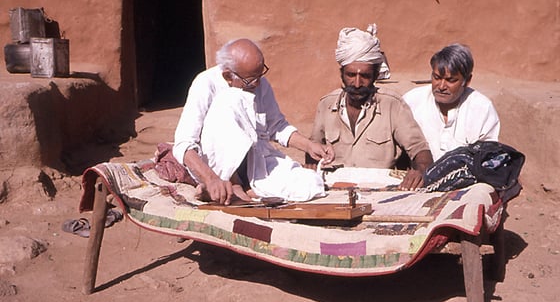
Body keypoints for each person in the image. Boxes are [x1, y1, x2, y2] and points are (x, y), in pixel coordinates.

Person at [172, 38, 334, 205]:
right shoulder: (205, 83)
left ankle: (250, 188)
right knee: (231, 98)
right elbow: (183, 145)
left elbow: (276, 126)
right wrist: (211, 179)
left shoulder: (258, 82)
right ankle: (233, 186)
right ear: (228, 76)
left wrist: (309, 145)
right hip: (216, 168)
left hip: (255, 161)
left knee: (309, 182)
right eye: (251, 80)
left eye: (260, 74)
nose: (257, 84)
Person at [307, 25, 433, 190]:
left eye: (365, 76)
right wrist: (310, 169)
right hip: (333, 190)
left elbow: (420, 151)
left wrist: (420, 171)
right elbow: (312, 150)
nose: (357, 84)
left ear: (374, 75)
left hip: (380, 192)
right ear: (342, 74)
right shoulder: (326, 104)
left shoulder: (392, 104)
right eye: (351, 75)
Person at [402, 43, 500, 161]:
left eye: (451, 80)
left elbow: (487, 159)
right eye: (437, 78)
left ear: (467, 81)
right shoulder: (412, 100)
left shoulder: (482, 109)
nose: (442, 86)